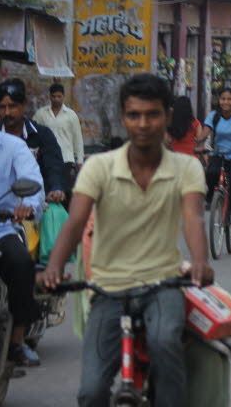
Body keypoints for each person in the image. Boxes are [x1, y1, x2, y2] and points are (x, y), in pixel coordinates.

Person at [38, 73, 213, 407]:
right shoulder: (99, 168)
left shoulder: (186, 168)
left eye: (152, 114)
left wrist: (200, 263)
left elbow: (193, 219)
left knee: (165, 345)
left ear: (168, 117)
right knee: (90, 392)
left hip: (163, 284)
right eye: (134, 115)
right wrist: (55, 267)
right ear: (123, 118)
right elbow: (75, 222)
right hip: (107, 289)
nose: (143, 124)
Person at [0, 80, 45, 368]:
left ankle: (17, 340)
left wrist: (27, 208)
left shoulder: (13, 146)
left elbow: (33, 184)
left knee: (21, 263)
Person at [0, 78, 66, 208]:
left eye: (12, 106)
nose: (7, 112)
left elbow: (53, 165)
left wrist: (55, 188)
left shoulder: (42, 135)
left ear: (24, 105)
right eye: (2, 107)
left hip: (34, 208)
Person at [195, 88, 231, 244]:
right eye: (223, 99)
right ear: (218, 101)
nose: (225, 102)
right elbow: (205, 132)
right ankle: (213, 200)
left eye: (229, 99)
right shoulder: (214, 116)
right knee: (211, 173)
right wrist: (199, 144)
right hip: (219, 154)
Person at [34, 83, 84, 205]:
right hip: (46, 159)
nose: (56, 99)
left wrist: (79, 161)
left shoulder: (71, 115)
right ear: (50, 97)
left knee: (64, 193)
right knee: (48, 191)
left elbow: (78, 139)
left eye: (59, 96)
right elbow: (33, 133)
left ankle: (66, 220)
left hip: (66, 159)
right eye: (54, 96)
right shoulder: (41, 114)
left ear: (63, 97)